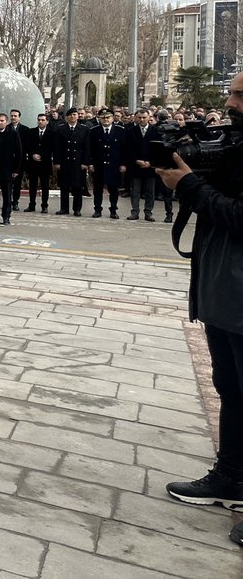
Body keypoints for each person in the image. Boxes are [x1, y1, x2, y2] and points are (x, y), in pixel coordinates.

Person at [157, 70, 243, 548]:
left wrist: (190, 185)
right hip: (223, 288)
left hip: (236, 289)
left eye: (238, 95)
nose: (229, 104)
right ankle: (230, 476)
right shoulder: (235, 144)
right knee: (229, 386)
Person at [87, 108, 127, 219]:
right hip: (98, 165)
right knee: (98, 189)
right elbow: (90, 149)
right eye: (103, 118)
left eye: (108, 117)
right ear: (99, 119)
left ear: (113, 118)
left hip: (114, 165)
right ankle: (97, 210)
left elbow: (124, 149)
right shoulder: (94, 131)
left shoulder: (120, 130)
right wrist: (90, 163)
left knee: (113, 189)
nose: (105, 120)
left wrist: (123, 164)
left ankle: (113, 210)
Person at [52, 107, 89, 216]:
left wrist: (85, 162)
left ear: (78, 116)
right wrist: (57, 162)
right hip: (64, 161)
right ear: (66, 117)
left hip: (78, 162)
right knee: (64, 186)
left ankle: (77, 209)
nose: (73, 117)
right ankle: (64, 208)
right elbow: (57, 147)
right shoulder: (60, 129)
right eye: (70, 115)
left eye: (75, 115)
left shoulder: (84, 129)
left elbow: (87, 147)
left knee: (77, 187)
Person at [125, 108, 160, 221]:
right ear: (136, 118)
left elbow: (158, 150)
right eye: (139, 117)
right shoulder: (130, 131)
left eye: (144, 117)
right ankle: (135, 212)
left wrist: (151, 162)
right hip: (136, 166)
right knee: (135, 191)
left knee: (150, 191)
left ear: (149, 118)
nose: (141, 120)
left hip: (150, 166)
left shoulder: (156, 131)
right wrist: (136, 160)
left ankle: (148, 212)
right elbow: (128, 149)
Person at [21, 113, 53, 213]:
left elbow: (52, 148)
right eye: (39, 119)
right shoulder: (31, 132)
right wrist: (33, 154)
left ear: (47, 121)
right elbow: (26, 146)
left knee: (45, 186)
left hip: (45, 163)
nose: (40, 121)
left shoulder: (52, 133)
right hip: (33, 163)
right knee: (32, 186)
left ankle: (44, 206)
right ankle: (31, 205)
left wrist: (42, 156)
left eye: (43, 120)